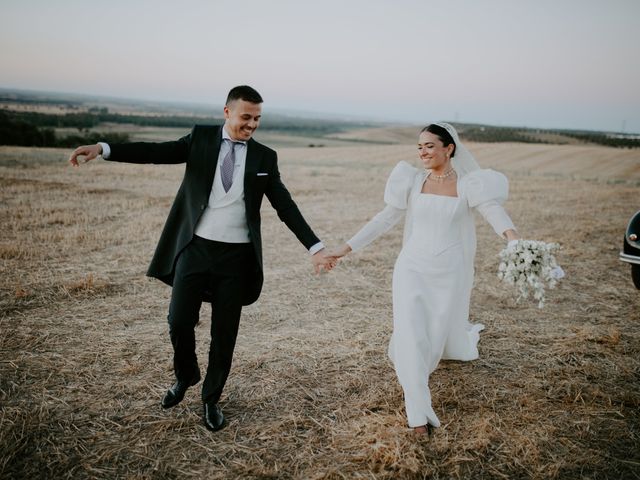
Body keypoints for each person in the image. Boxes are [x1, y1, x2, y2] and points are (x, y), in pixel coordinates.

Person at [68, 85, 335, 432]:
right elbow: (155, 152)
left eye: (257, 119)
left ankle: (211, 399)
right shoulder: (201, 139)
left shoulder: (265, 157)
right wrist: (104, 149)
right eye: (246, 117)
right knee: (179, 320)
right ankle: (186, 375)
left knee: (224, 335)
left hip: (237, 258)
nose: (252, 124)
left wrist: (315, 248)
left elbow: (285, 206)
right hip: (195, 250)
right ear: (227, 112)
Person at [326, 123, 520, 435]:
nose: (423, 152)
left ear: (449, 149)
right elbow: (384, 219)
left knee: (432, 335)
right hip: (411, 267)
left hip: (449, 271)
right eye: (419, 147)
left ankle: (419, 376)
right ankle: (418, 413)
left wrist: (513, 239)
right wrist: (344, 249)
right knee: (411, 332)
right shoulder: (413, 181)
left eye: (430, 146)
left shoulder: (470, 184)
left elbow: (492, 211)